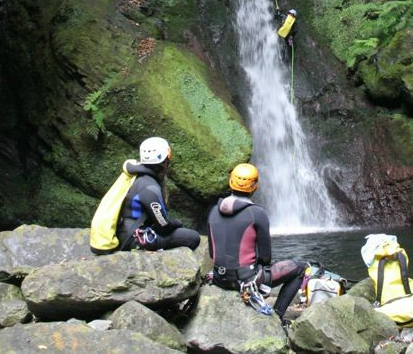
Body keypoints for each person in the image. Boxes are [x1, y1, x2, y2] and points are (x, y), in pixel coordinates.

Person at [207, 163, 308, 321]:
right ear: (254, 186)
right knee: (300, 268)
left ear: (230, 181)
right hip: (245, 280)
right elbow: (265, 257)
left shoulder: (214, 210)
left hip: (219, 279)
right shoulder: (257, 214)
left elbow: (212, 253)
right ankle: (277, 317)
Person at [90, 136, 201, 254]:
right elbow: (163, 226)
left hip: (124, 232)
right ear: (165, 160)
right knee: (192, 237)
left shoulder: (136, 176)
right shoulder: (149, 187)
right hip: (132, 238)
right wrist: (178, 222)